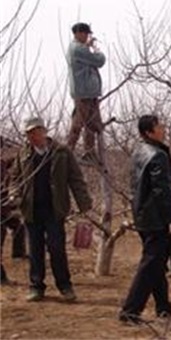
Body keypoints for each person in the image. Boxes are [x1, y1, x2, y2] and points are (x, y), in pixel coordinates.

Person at [9, 117, 93, 301]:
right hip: (31, 209)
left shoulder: (61, 152)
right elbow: (15, 177)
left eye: (34, 132)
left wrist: (84, 204)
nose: (32, 136)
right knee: (35, 250)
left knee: (56, 248)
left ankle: (65, 286)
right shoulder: (23, 154)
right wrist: (14, 194)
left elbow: (75, 179)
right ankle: (36, 287)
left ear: (43, 131)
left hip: (55, 209)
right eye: (28, 133)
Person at [119, 115, 171, 324]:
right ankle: (130, 311)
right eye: (159, 126)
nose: (163, 129)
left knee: (157, 262)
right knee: (151, 263)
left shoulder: (139, 151)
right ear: (149, 132)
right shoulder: (158, 155)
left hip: (143, 215)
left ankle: (163, 306)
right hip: (156, 218)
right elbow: (161, 190)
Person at [66, 22, 106, 164]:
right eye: (85, 33)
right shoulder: (77, 49)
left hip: (88, 92)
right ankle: (68, 152)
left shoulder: (79, 49)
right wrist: (95, 49)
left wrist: (88, 47)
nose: (87, 36)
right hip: (83, 93)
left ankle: (89, 152)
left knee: (92, 124)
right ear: (78, 33)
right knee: (79, 123)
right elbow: (99, 60)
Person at [1, 156, 28, 284]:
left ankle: (18, 252)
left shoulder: (2, 164)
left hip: (4, 209)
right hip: (2, 209)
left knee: (18, 225)